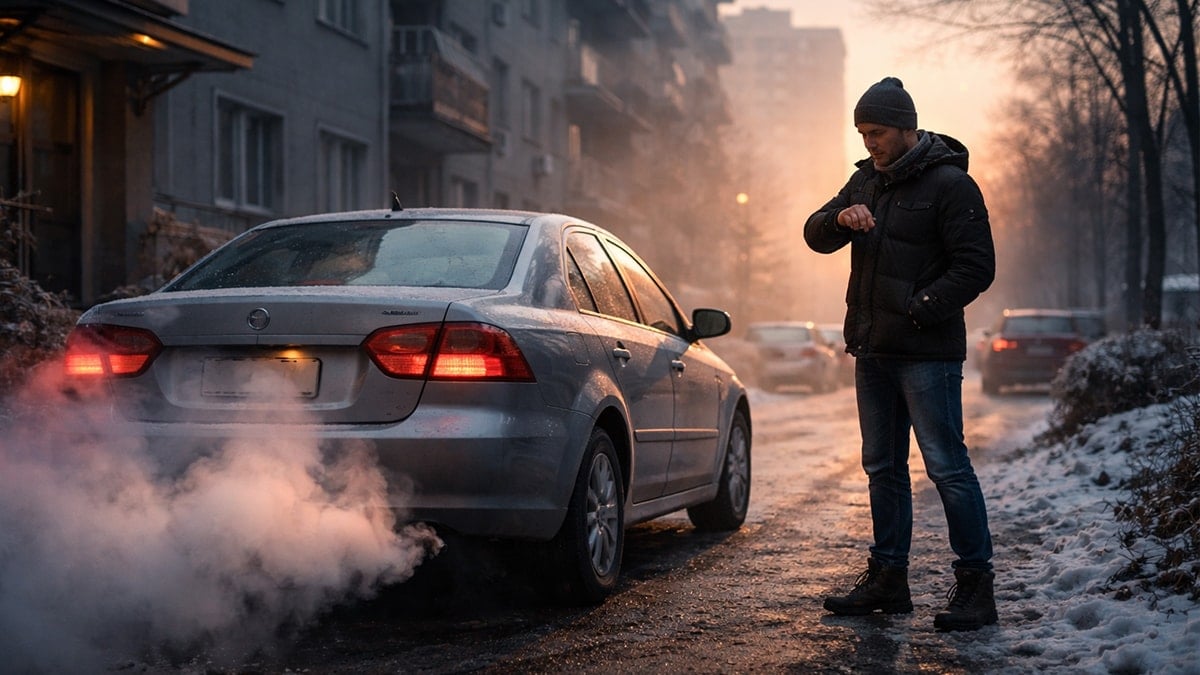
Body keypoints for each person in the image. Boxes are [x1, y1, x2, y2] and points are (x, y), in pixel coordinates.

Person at [803, 76, 998, 631]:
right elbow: (814, 232)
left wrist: (919, 309)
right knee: (882, 469)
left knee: (947, 467)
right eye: (862, 133)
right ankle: (889, 580)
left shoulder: (951, 185)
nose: (869, 143)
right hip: (873, 352)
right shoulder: (864, 182)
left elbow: (977, 267)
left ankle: (977, 587)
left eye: (877, 132)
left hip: (927, 353)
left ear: (906, 127)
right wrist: (839, 219)